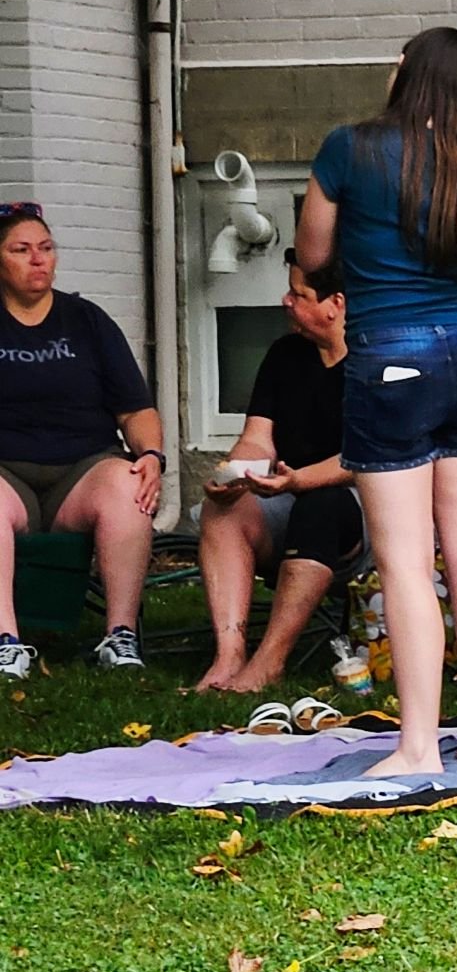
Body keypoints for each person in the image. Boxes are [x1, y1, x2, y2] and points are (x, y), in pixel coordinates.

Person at [294, 27, 457, 775]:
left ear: (408, 74)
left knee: (408, 563)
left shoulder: (349, 149)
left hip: (391, 354)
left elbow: (315, 254)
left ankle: (419, 746)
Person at [0, 198, 165, 676]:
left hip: (81, 469)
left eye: (46, 248)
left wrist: (151, 454)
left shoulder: (86, 320)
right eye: (22, 249)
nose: (38, 259)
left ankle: (120, 637)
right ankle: (7, 641)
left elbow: (135, 408)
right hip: (7, 474)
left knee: (130, 484)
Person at [193, 248, 362, 696]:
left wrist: (299, 480)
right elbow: (258, 437)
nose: (286, 301)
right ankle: (229, 656)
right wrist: (235, 473)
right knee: (221, 510)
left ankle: (270, 662)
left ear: (336, 304)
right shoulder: (286, 354)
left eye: (297, 293)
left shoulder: (373, 360)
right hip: (286, 494)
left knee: (320, 507)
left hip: (364, 504)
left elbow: (364, 457)